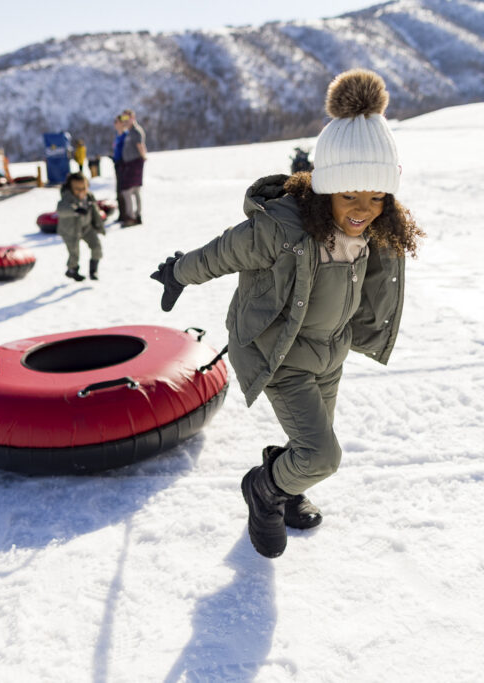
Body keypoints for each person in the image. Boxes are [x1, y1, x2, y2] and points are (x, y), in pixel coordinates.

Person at [151, 69, 424, 559]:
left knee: (307, 445)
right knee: (322, 454)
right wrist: (179, 273)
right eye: (350, 195)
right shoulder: (282, 229)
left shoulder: (375, 230)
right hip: (281, 355)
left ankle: (288, 481)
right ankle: (264, 490)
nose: (363, 209)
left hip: (330, 354)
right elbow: (221, 253)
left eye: (377, 196)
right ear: (326, 188)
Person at [57, 172, 105, 281]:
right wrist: (74, 210)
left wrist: (98, 222)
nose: (81, 191)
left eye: (83, 188)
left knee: (96, 246)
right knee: (74, 252)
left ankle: (93, 271)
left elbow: (95, 210)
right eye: (77, 189)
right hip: (71, 230)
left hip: (87, 227)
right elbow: (61, 210)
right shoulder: (67, 198)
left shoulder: (89, 196)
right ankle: (72, 270)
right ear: (70, 188)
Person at [119, 108, 146, 227]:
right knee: (134, 190)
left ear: (132, 118)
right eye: (122, 118)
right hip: (130, 163)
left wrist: (143, 157)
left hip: (135, 162)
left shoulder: (135, 131)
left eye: (126, 118)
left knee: (127, 190)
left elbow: (140, 145)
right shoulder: (129, 132)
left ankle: (131, 216)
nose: (124, 121)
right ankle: (136, 215)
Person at [111, 114, 129, 224]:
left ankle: (125, 214)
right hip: (117, 164)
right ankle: (121, 214)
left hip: (123, 165)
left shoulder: (125, 136)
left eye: (116, 121)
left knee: (123, 190)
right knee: (118, 190)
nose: (115, 124)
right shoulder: (118, 136)